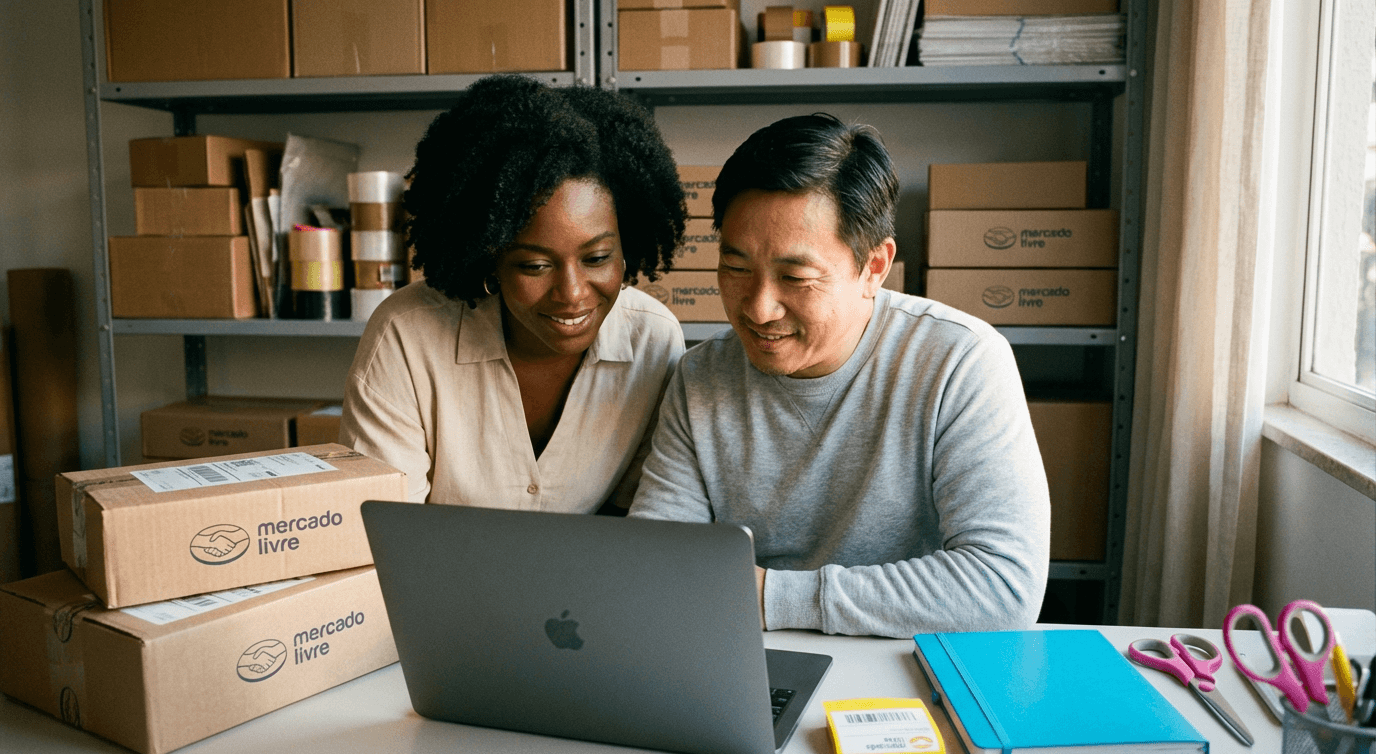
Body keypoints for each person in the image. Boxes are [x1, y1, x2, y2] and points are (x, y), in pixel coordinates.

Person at [628, 113, 1050, 638]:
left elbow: (1003, 586)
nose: (758, 309)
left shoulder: (959, 362)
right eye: (736, 269)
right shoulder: (700, 377)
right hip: (747, 660)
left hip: (908, 664)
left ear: (874, 267)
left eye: (796, 277)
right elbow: (656, 566)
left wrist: (770, 597)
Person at [341, 74, 687, 514]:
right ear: (491, 258)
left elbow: (636, 521)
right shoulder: (407, 336)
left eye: (597, 258)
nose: (572, 293)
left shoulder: (654, 340)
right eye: (534, 266)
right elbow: (383, 533)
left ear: (627, 247)